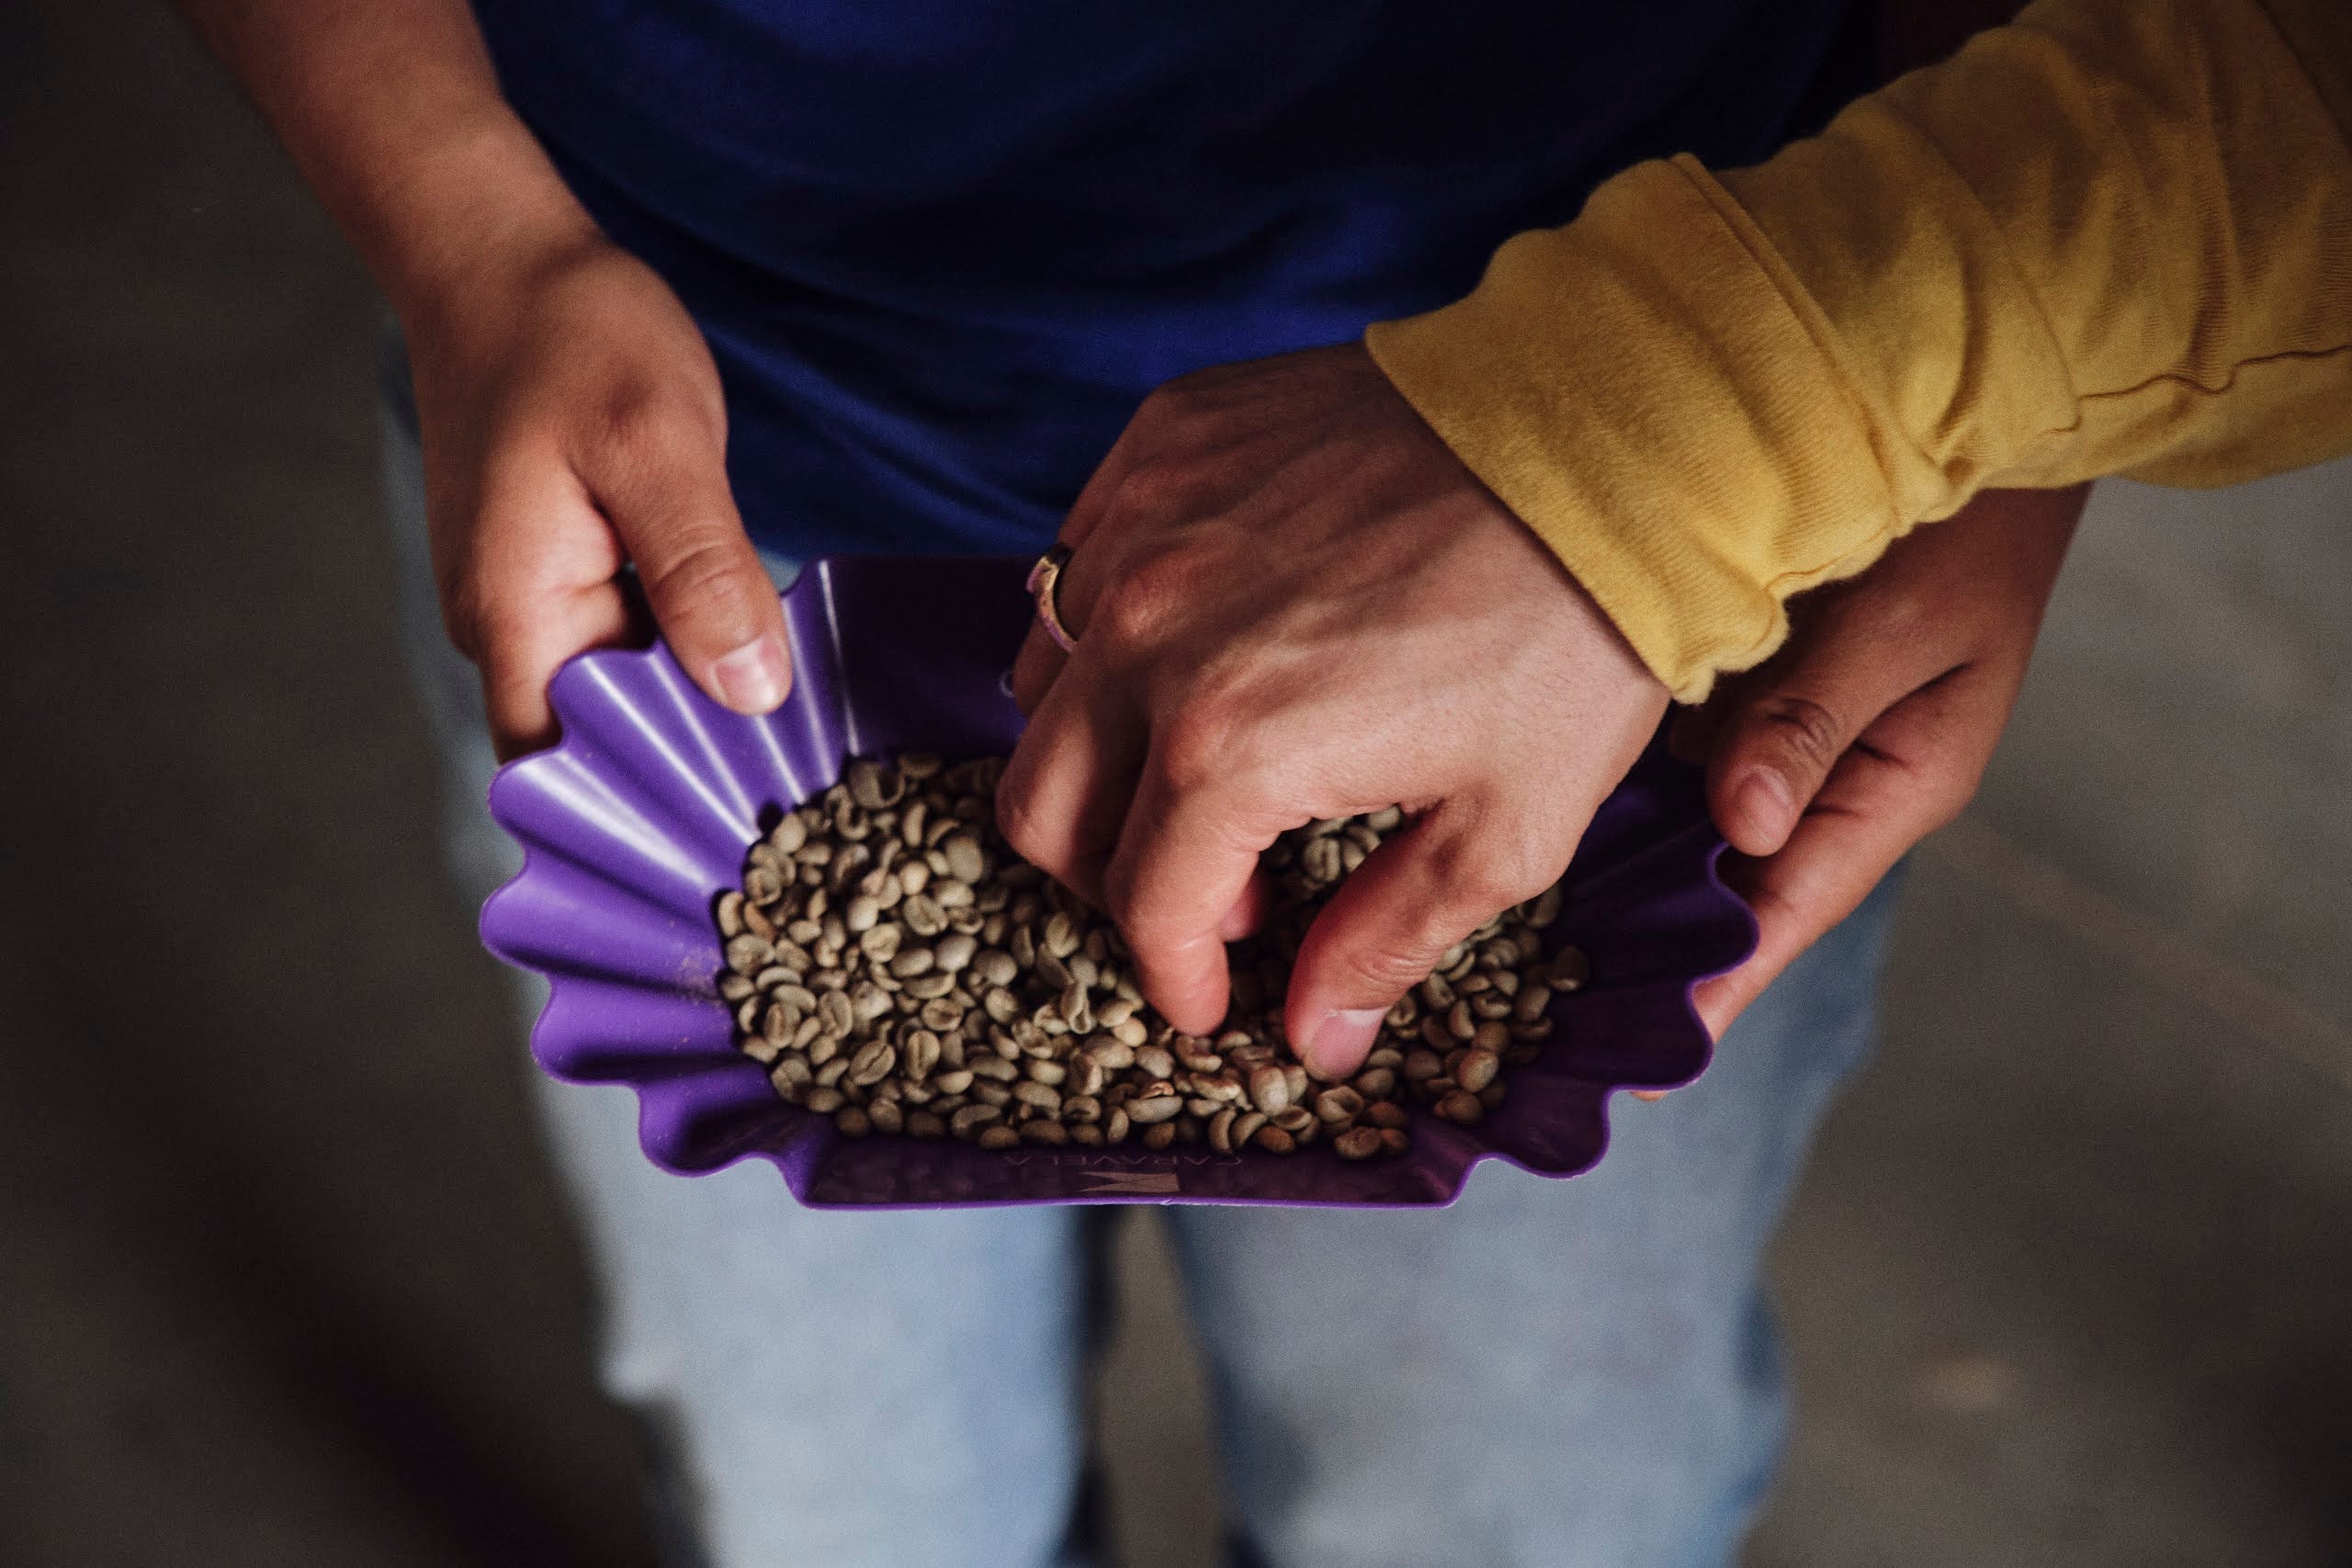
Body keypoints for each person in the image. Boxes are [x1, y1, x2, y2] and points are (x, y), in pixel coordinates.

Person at [174, 0, 2346, 1564]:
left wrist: (1968, 404)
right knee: (839, 1496)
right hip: (705, 526)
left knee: (1514, 1496)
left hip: (1621, 600)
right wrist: (468, 232)